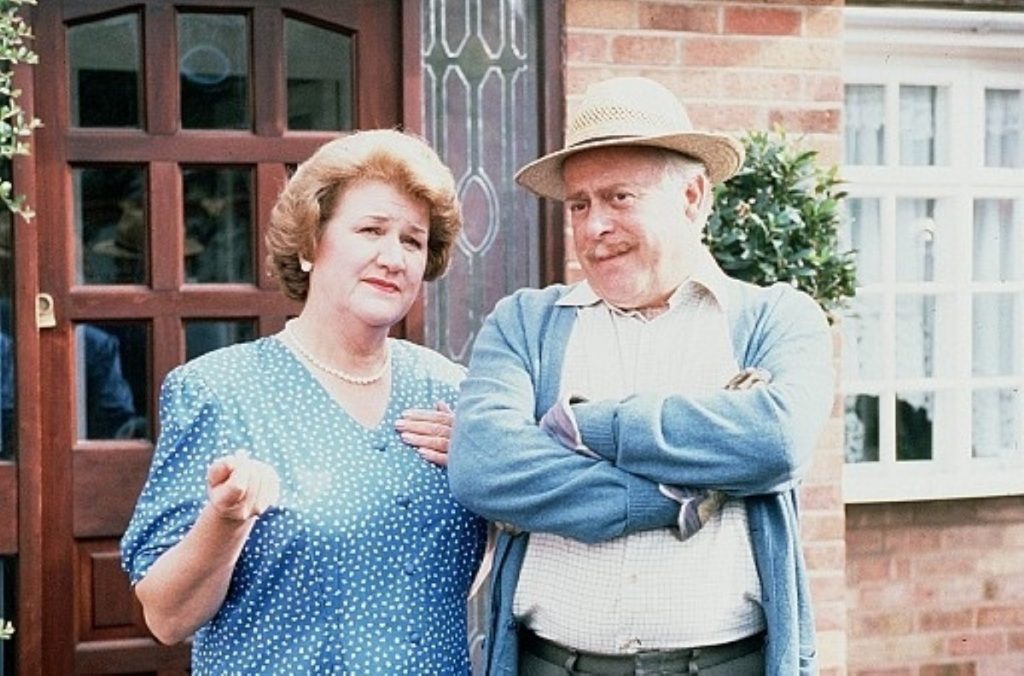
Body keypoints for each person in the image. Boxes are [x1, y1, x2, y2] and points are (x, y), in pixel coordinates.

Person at [448, 77, 834, 675]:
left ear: (692, 197)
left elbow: (775, 442)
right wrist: (675, 496)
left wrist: (581, 426)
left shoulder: (772, 319)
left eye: (619, 197)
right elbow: (485, 468)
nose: (593, 226)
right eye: (579, 204)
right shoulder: (525, 323)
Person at [121, 129, 487, 674]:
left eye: (413, 241)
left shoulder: (451, 392)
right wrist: (226, 519)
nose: (393, 257)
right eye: (371, 230)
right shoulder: (221, 390)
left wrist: (492, 473)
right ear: (311, 243)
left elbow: (467, 567)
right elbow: (168, 618)